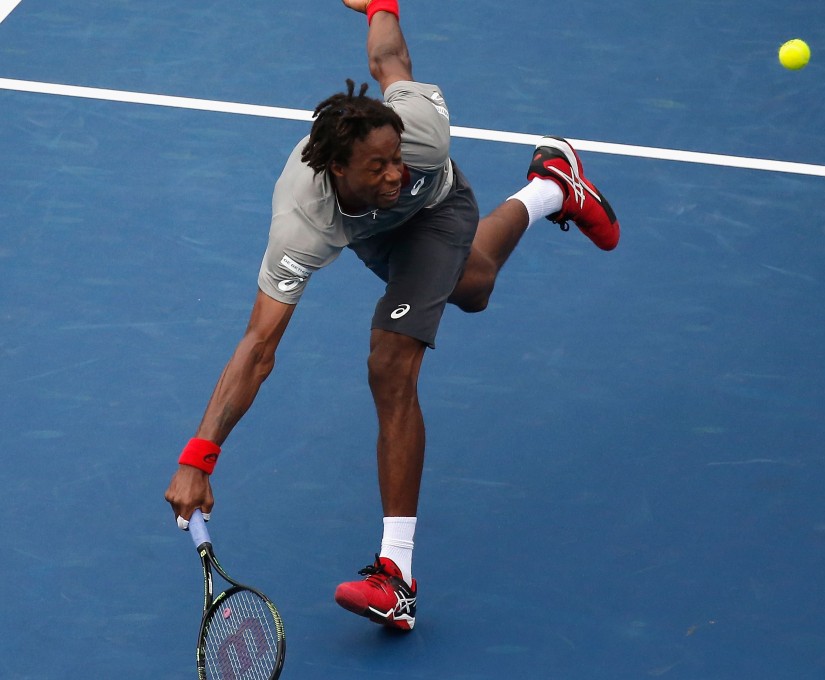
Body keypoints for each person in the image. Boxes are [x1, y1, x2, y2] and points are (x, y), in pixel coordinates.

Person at [164, 0, 619, 632]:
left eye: (393, 156)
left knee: (390, 361)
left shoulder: (419, 137)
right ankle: (552, 184)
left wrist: (381, 5)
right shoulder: (302, 223)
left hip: (439, 210)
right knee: (476, 286)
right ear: (334, 170)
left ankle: (396, 575)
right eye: (376, 166)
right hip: (369, 233)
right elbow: (259, 345)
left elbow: (388, 60)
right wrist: (199, 454)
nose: (393, 171)